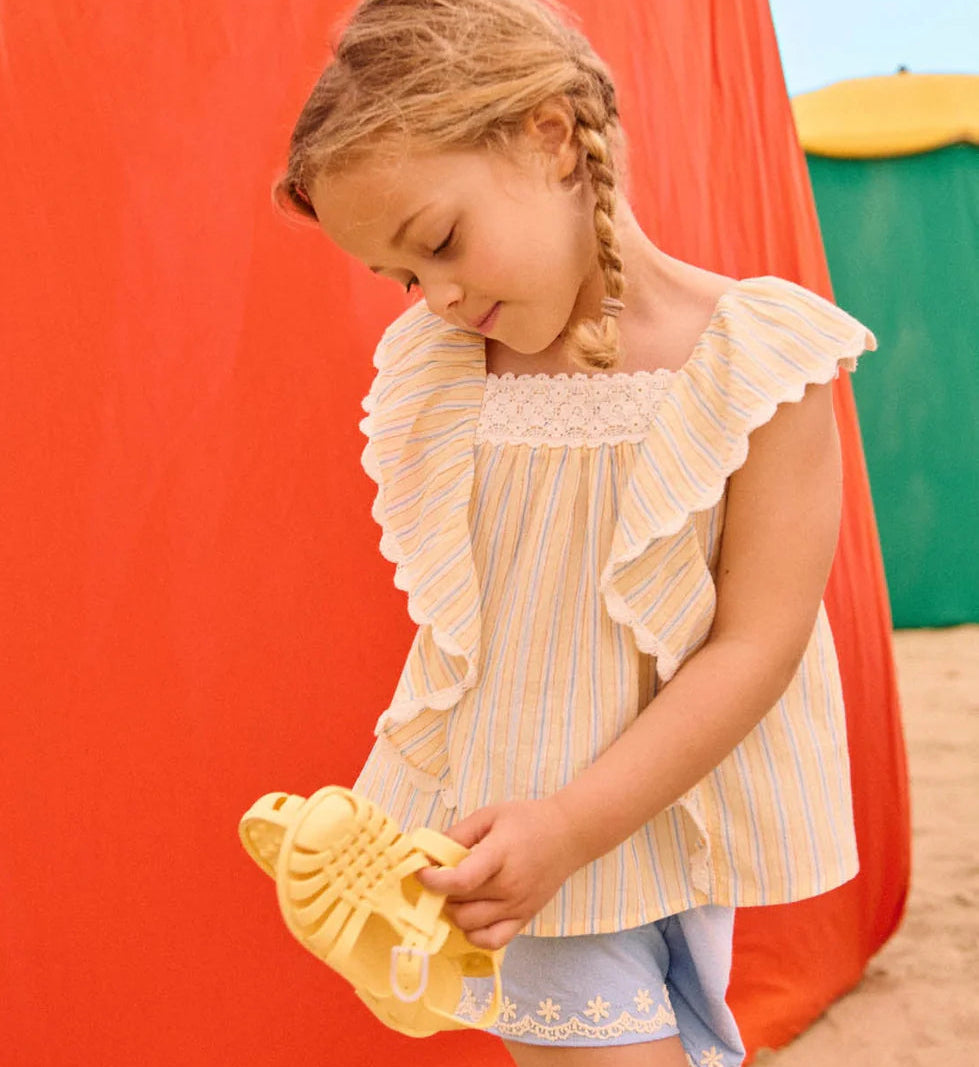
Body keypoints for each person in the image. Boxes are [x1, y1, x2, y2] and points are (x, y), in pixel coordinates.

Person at [274, 0, 875, 1063]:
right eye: (406, 277)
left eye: (440, 241)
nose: (438, 298)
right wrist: (548, 831)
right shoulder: (448, 370)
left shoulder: (759, 362)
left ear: (549, 137)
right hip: (520, 835)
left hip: (666, 821)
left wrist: (583, 823)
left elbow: (756, 642)